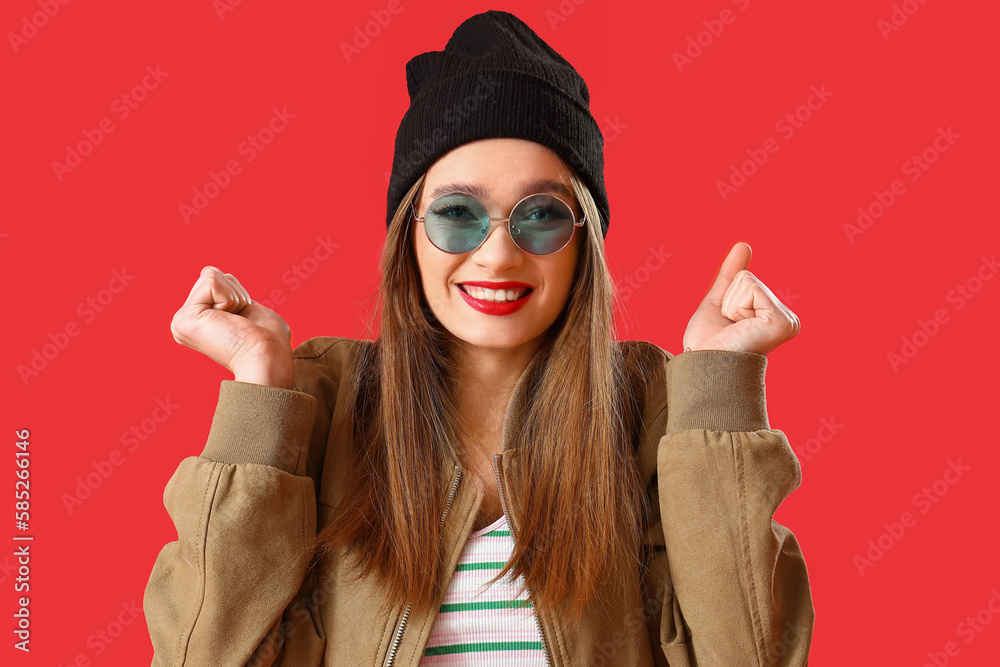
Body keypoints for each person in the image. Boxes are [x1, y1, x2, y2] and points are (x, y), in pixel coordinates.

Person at [143, 10, 813, 666]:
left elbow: (750, 654)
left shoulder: (659, 409)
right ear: (410, 232)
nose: (497, 255)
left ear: (585, 247)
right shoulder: (318, 402)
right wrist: (256, 395)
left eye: (541, 215)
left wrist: (722, 384)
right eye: (458, 214)